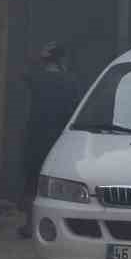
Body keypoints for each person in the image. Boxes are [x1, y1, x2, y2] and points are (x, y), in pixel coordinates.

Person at [18, 42, 83, 239]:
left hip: (35, 138)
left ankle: (30, 225)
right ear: (62, 60)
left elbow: (24, 70)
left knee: (32, 183)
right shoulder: (71, 81)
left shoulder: (35, 78)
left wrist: (39, 58)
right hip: (60, 141)